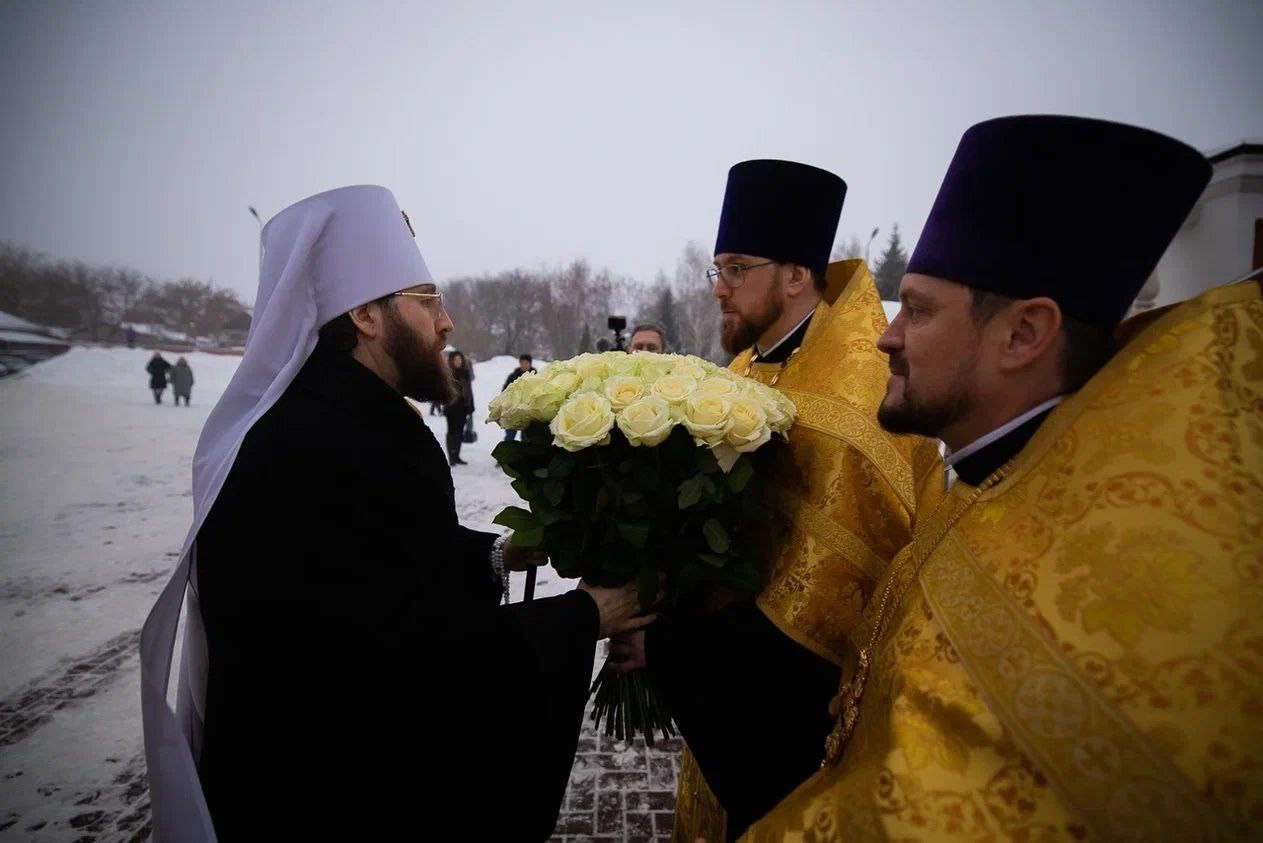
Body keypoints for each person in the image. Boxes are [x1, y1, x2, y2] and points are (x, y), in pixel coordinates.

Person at [745, 116, 1262, 840]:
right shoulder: (958, 477)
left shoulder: (1093, 569)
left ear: (1023, 334)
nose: (884, 334)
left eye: (918, 310)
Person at [139, 185, 655, 842]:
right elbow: (396, 666)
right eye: (427, 301)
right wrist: (583, 615)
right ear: (365, 314)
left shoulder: (337, 418)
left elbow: (378, 566)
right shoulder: (322, 443)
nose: (446, 323)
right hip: (326, 802)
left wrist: (491, 554)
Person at [612, 160, 943, 841]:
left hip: (789, 726)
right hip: (723, 691)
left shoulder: (858, 390)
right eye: (716, 270)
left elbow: (818, 609)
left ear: (795, 276)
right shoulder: (742, 366)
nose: (718, 290)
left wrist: (666, 646)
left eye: (736, 269)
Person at [444, 349, 474, 464]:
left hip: (463, 408)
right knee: (452, 432)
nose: (458, 361)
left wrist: (471, 406)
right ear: (451, 361)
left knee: (460, 433)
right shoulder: (447, 373)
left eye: (460, 359)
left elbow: (469, 392)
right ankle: (451, 456)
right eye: (456, 359)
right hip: (451, 408)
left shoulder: (465, 373)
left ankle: (456, 455)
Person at [502, 354, 537, 441]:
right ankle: (508, 453)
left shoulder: (536, 377)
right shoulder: (513, 376)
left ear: (530, 364)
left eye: (526, 363)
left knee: (526, 438)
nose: (524, 365)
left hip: (528, 412)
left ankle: (524, 454)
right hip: (513, 410)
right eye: (522, 363)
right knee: (510, 436)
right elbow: (504, 391)